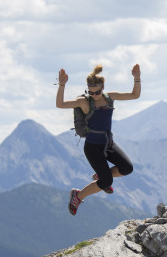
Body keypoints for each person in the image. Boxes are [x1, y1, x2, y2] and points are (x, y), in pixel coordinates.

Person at [56, 64, 141, 215]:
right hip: (93, 147)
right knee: (107, 182)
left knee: (127, 168)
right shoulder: (84, 102)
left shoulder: (110, 97)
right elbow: (60, 104)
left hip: (108, 144)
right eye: (91, 92)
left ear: (103, 87)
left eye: (98, 92)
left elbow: (135, 95)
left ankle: (100, 175)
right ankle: (78, 196)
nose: (94, 95)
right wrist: (62, 85)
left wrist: (136, 78)